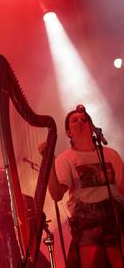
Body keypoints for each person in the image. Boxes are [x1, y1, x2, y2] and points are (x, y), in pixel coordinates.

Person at [40, 107, 124, 267]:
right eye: (74, 120)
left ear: (91, 126)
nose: (80, 121)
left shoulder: (110, 154)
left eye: (84, 119)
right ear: (68, 132)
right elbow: (57, 195)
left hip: (115, 218)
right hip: (87, 222)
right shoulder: (66, 159)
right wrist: (49, 163)